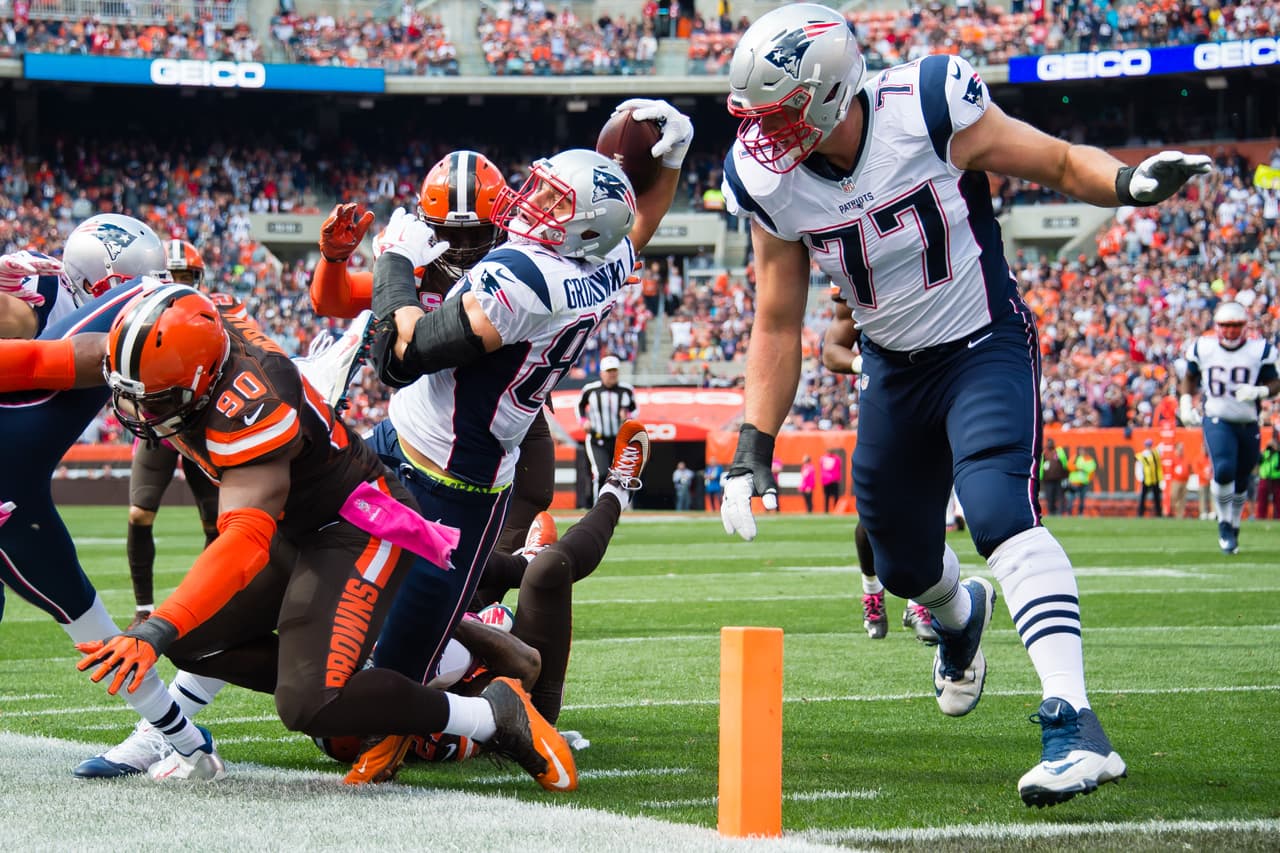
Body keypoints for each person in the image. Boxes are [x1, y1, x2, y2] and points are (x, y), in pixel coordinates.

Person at [717, 3, 1207, 806]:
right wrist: (751, 449)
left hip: (983, 343)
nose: (765, 133)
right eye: (758, 115)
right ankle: (958, 612)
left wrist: (1126, 182)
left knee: (994, 507)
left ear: (832, 90)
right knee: (902, 560)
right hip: (894, 372)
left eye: (781, 112)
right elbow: (776, 320)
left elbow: (1052, 162)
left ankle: (1074, 722)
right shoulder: (765, 179)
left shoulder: (931, 101)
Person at [77, 282, 578, 791]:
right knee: (197, 640)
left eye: (156, 400)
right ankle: (350, 677)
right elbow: (44, 360)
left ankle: (492, 715)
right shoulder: (197, 355)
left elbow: (245, 537)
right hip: (297, 524)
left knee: (311, 703)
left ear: (204, 379)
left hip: (353, 526)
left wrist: (155, 626)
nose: (141, 414)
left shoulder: (250, 404)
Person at [358, 98, 690, 782]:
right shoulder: (601, 262)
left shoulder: (530, 279)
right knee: (315, 577)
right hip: (416, 444)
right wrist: (675, 159)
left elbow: (408, 349)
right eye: (540, 187)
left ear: (580, 230)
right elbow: (644, 219)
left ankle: (483, 715)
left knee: (391, 666)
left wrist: (394, 261)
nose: (531, 202)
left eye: (551, 201)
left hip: (452, 479)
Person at [0, 215, 226, 781]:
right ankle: (184, 740)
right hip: (11, 489)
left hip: (14, 476)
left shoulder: (56, 293)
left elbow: (46, 358)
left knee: (85, 616)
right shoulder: (30, 291)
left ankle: (183, 740)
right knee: (86, 619)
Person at [311, 151, 556, 557]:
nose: (460, 249)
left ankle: (480, 594)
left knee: (534, 490)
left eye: (473, 234)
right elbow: (331, 302)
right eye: (449, 235)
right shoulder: (416, 267)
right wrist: (334, 260)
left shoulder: (522, 264)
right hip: (430, 415)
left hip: (503, 407)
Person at [822, 297, 937, 644]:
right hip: (885, 407)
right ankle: (872, 592)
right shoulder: (858, 283)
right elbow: (831, 351)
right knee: (873, 515)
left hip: (936, 399)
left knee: (926, 510)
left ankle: (919, 601)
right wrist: (864, 364)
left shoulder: (939, 277)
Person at [123, 240, 221, 631]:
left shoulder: (212, 319)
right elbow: (119, 385)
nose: (180, 285)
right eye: (174, 276)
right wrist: (146, 418)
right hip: (156, 430)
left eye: (187, 278)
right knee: (139, 512)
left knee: (216, 525)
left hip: (199, 430)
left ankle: (206, 604)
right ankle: (144, 608)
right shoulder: (138, 317)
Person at [1180, 301, 1279, 553]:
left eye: (1236, 326)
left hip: (1247, 421)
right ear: (1217, 327)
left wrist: (1259, 390)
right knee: (1223, 470)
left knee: (1243, 477)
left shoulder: (1259, 350)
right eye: (1226, 326)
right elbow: (1190, 377)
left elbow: (1275, 381)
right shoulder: (1204, 347)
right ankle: (1224, 522)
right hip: (1217, 418)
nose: (1231, 331)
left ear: (1245, 327)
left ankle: (1234, 522)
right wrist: (1184, 402)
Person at [577, 355, 638, 504]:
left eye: (614, 371)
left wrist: (628, 416)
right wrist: (584, 421)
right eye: (609, 371)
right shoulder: (590, 390)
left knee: (620, 476)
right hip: (597, 439)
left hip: (619, 441)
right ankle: (597, 510)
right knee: (601, 473)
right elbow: (579, 406)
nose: (612, 374)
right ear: (601, 373)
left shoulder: (626, 390)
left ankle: (617, 508)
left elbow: (635, 409)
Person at [1040, 438, 1069, 516]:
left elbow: (1064, 463)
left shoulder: (1058, 451)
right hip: (1048, 479)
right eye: (1048, 443)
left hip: (1058, 478)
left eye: (1051, 443)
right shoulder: (1045, 453)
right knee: (1050, 496)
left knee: (1060, 495)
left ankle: (1060, 511)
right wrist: (1040, 477)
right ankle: (1051, 511)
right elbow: (1041, 465)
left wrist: (1065, 475)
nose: (1050, 445)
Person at [1135, 440, 1164, 517]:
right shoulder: (1141, 455)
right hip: (1146, 479)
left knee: (1157, 497)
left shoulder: (1155, 453)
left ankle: (1158, 513)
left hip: (1155, 479)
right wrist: (1141, 478)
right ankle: (1140, 513)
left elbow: (1162, 446)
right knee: (1143, 497)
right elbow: (1138, 468)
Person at [1065, 447, 1096, 517]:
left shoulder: (1089, 459)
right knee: (1071, 498)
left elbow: (1092, 468)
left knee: (1082, 499)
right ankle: (1069, 512)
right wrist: (1077, 468)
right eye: (1081, 450)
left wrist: (1083, 469)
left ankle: (1080, 513)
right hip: (1074, 482)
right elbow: (1069, 465)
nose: (1082, 452)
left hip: (1084, 482)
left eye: (1083, 451)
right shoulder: (1075, 458)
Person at [1257, 434, 1280, 520]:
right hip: (1264, 479)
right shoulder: (1265, 453)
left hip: (1277, 480)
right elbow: (1258, 461)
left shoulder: (1278, 454)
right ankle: (1260, 518)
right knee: (1262, 501)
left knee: (1278, 502)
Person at [1167, 443, 1191, 519]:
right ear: (1176, 450)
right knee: (1174, 497)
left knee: (1182, 498)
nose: (1181, 451)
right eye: (1180, 449)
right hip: (1176, 481)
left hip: (1184, 481)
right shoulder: (1173, 459)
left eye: (1182, 449)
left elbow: (1189, 468)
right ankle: (1172, 512)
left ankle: (1180, 515)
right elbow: (1170, 470)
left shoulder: (1185, 458)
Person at [819, 448, 841, 513]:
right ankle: (833, 509)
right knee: (832, 496)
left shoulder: (823, 459)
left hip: (828, 480)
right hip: (832, 480)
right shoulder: (836, 459)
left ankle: (829, 510)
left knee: (828, 496)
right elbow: (838, 468)